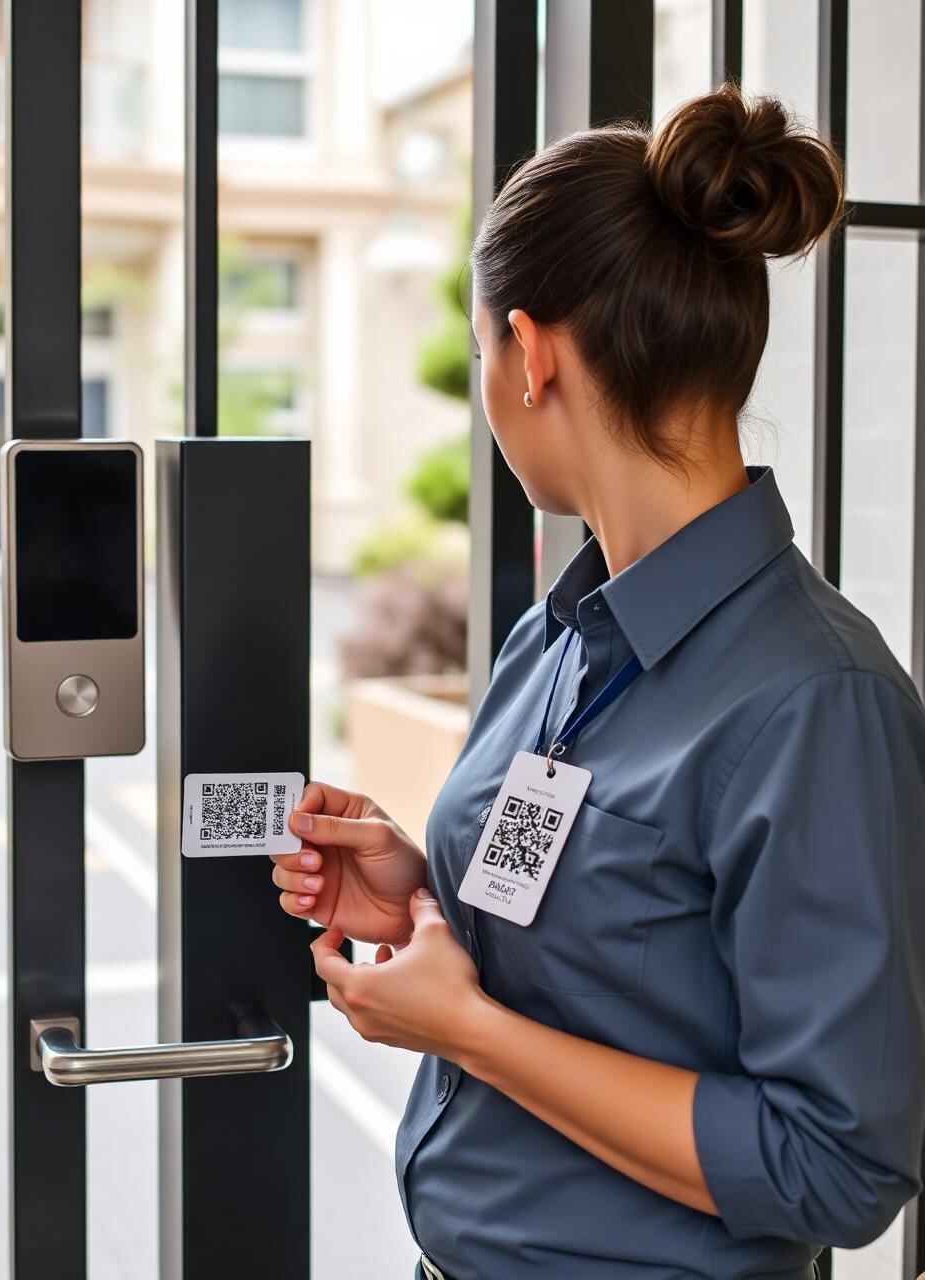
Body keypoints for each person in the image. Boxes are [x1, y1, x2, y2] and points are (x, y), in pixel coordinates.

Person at [269, 79, 925, 1279]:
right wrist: (425, 893)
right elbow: (612, 943)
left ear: (529, 355)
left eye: (479, 352)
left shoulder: (815, 700)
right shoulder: (561, 637)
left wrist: (466, 1027)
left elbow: (834, 1163)